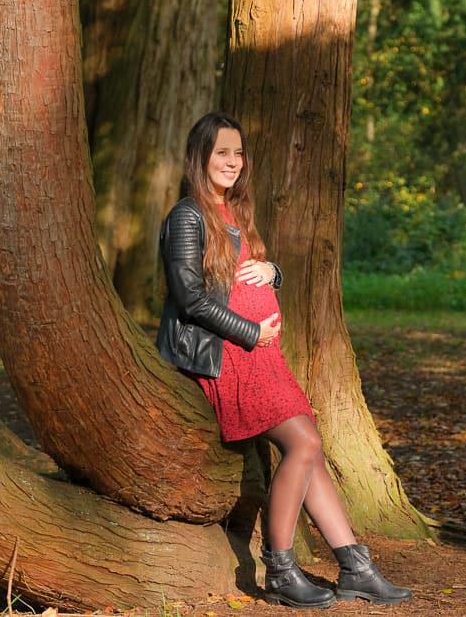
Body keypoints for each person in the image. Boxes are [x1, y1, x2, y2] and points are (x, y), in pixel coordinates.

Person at [157, 112, 412, 609]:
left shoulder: (232, 211)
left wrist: (272, 273)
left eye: (237, 153)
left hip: (262, 356)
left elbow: (244, 275)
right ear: (200, 158)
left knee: (309, 449)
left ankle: (355, 567)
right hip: (228, 357)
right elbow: (189, 298)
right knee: (305, 443)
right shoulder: (187, 216)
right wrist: (252, 331)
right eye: (221, 153)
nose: (231, 162)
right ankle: (280, 567)